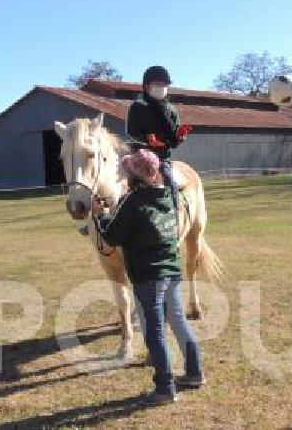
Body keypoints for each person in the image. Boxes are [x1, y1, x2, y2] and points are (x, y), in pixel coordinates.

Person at [92, 149, 204, 406]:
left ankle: (165, 388)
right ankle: (194, 373)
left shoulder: (133, 202)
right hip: (171, 271)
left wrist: (100, 216)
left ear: (135, 177)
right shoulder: (167, 195)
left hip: (147, 275)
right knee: (178, 321)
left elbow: (112, 236)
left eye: (128, 171)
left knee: (154, 332)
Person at [124, 65, 193, 213]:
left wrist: (179, 136)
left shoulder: (171, 109)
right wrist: (147, 140)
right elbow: (130, 133)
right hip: (138, 158)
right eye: (158, 85)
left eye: (164, 85)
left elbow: (172, 142)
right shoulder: (137, 107)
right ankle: (103, 218)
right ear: (147, 86)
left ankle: (173, 215)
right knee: (118, 187)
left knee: (171, 184)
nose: (162, 88)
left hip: (162, 159)